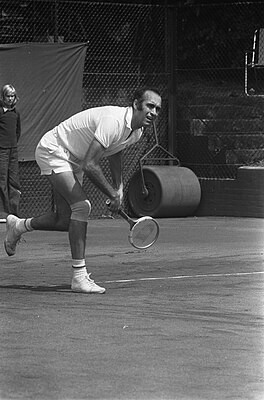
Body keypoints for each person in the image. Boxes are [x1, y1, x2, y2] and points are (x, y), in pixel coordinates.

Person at [4, 86, 162, 294]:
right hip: (55, 149)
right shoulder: (113, 121)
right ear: (136, 104)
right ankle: (79, 277)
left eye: (158, 109)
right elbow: (90, 165)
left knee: (64, 220)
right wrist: (112, 195)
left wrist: (119, 187)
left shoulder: (137, 131)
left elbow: (115, 152)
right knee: (82, 207)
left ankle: (18, 226)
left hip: (74, 159)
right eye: (150, 106)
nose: (154, 113)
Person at [0, 84, 21, 223]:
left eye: (12, 96)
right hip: (1, 150)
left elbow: (18, 131)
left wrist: (13, 144)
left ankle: (14, 214)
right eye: (8, 96)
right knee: (2, 180)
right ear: (3, 97)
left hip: (13, 150)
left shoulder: (16, 113)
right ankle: (3, 213)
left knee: (14, 181)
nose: (10, 98)